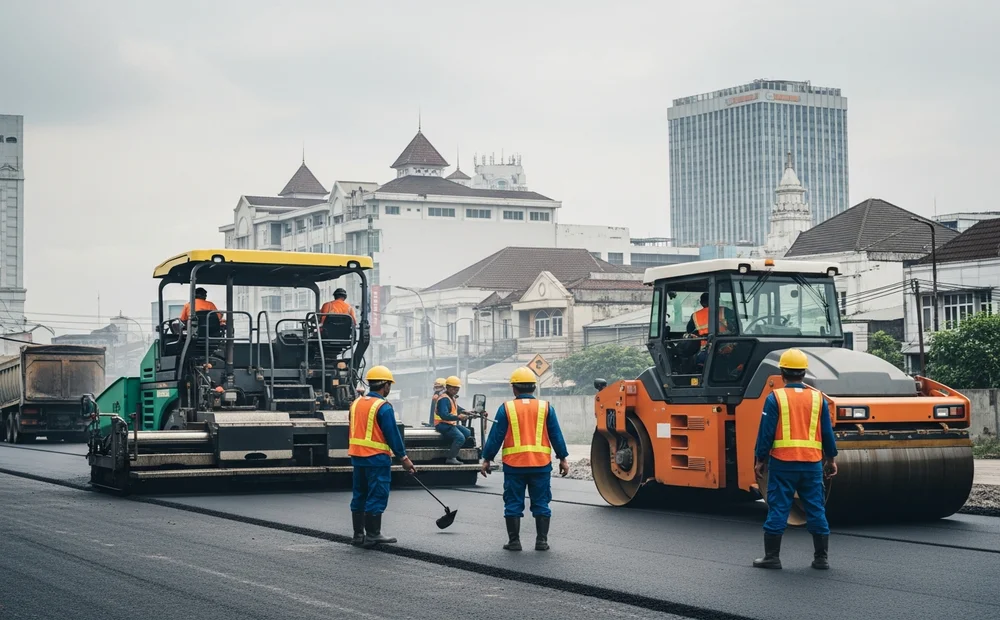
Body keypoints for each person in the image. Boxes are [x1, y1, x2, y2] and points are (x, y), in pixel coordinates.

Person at [752, 349, 838, 570]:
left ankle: (772, 557)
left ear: (782, 372)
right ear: (804, 373)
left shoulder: (775, 398)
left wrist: (760, 459)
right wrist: (830, 459)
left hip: (783, 464)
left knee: (779, 508)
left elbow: (766, 433)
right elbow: (827, 433)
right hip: (811, 464)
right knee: (816, 508)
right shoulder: (818, 399)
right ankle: (821, 559)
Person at [480, 367, 570, 552]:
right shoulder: (546, 407)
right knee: (542, 502)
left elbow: (496, 436)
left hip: (515, 465)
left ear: (514, 388)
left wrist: (487, 458)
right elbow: (556, 435)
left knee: (513, 503)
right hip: (540, 465)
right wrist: (563, 458)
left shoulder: (506, 408)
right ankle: (541, 542)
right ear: (534, 388)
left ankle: (514, 542)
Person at [348, 365, 416, 548]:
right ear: (385, 385)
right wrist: (404, 458)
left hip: (358, 457)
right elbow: (392, 435)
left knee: (360, 493)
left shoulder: (356, 403)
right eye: (389, 385)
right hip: (376, 458)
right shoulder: (383, 407)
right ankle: (373, 534)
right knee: (377, 493)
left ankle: (357, 535)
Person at [434, 376, 471, 465]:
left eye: (457, 388)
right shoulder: (443, 399)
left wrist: (465, 411)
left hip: (449, 423)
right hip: (442, 424)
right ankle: (451, 458)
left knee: (467, 432)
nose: (455, 390)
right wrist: (459, 417)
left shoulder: (451, 397)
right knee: (460, 437)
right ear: (447, 387)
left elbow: (455, 408)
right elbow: (444, 415)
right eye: (453, 388)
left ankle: (452, 446)